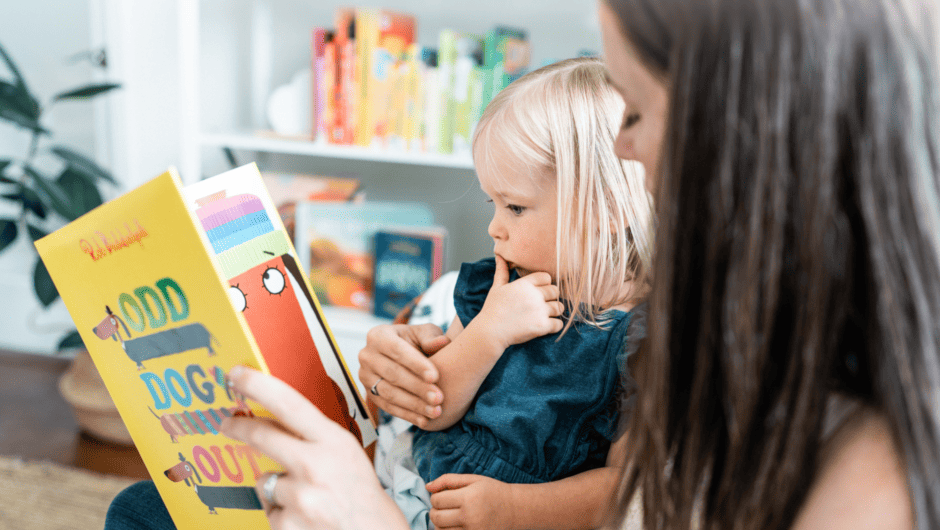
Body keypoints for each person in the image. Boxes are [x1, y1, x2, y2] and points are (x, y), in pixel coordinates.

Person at [107, 0, 940, 527]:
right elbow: (421, 393)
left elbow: (614, 496)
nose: (623, 145)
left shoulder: (856, 460)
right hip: (414, 482)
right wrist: (392, 368)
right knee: (149, 508)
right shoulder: (722, 331)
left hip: (464, 511)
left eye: (640, 108)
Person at [376, 56, 652, 530]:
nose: (494, 228)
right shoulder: (497, 287)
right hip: (416, 484)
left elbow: (623, 487)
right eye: (493, 201)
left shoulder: (644, 341)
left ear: (606, 208)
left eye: (516, 207)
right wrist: (489, 331)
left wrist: (508, 509)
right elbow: (432, 409)